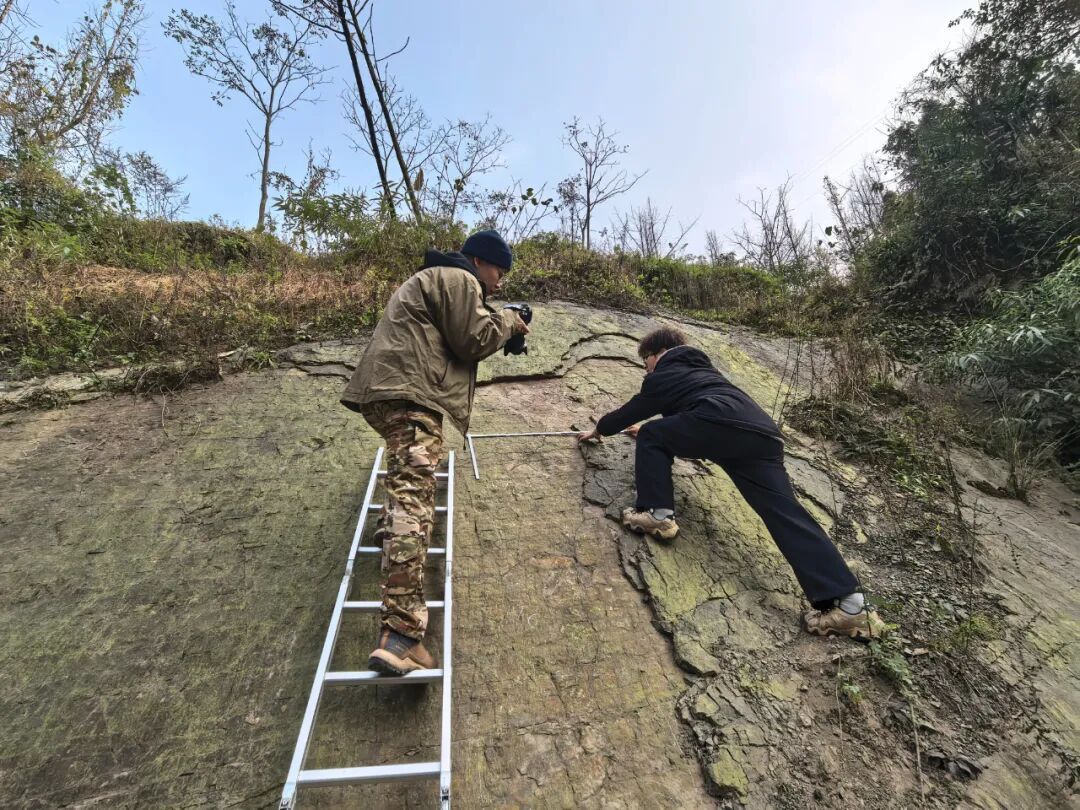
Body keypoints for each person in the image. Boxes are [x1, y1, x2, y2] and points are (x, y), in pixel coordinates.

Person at [577, 327, 884, 641]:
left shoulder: (667, 371)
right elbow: (694, 413)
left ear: (656, 354)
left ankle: (657, 514)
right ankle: (850, 604)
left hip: (718, 424)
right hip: (762, 437)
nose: (647, 369)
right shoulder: (706, 372)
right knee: (786, 514)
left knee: (654, 435)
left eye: (646, 363)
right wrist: (660, 429)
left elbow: (637, 407)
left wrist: (601, 429)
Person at [341, 230, 528, 674]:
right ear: (481, 261)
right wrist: (509, 322)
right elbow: (473, 339)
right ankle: (401, 634)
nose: (499, 283)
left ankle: (391, 533)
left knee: (405, 485)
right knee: (414, 502)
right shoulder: (459, 279)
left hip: (391, 389)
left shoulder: (432, 279)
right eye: (500, 271)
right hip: (414, 391)